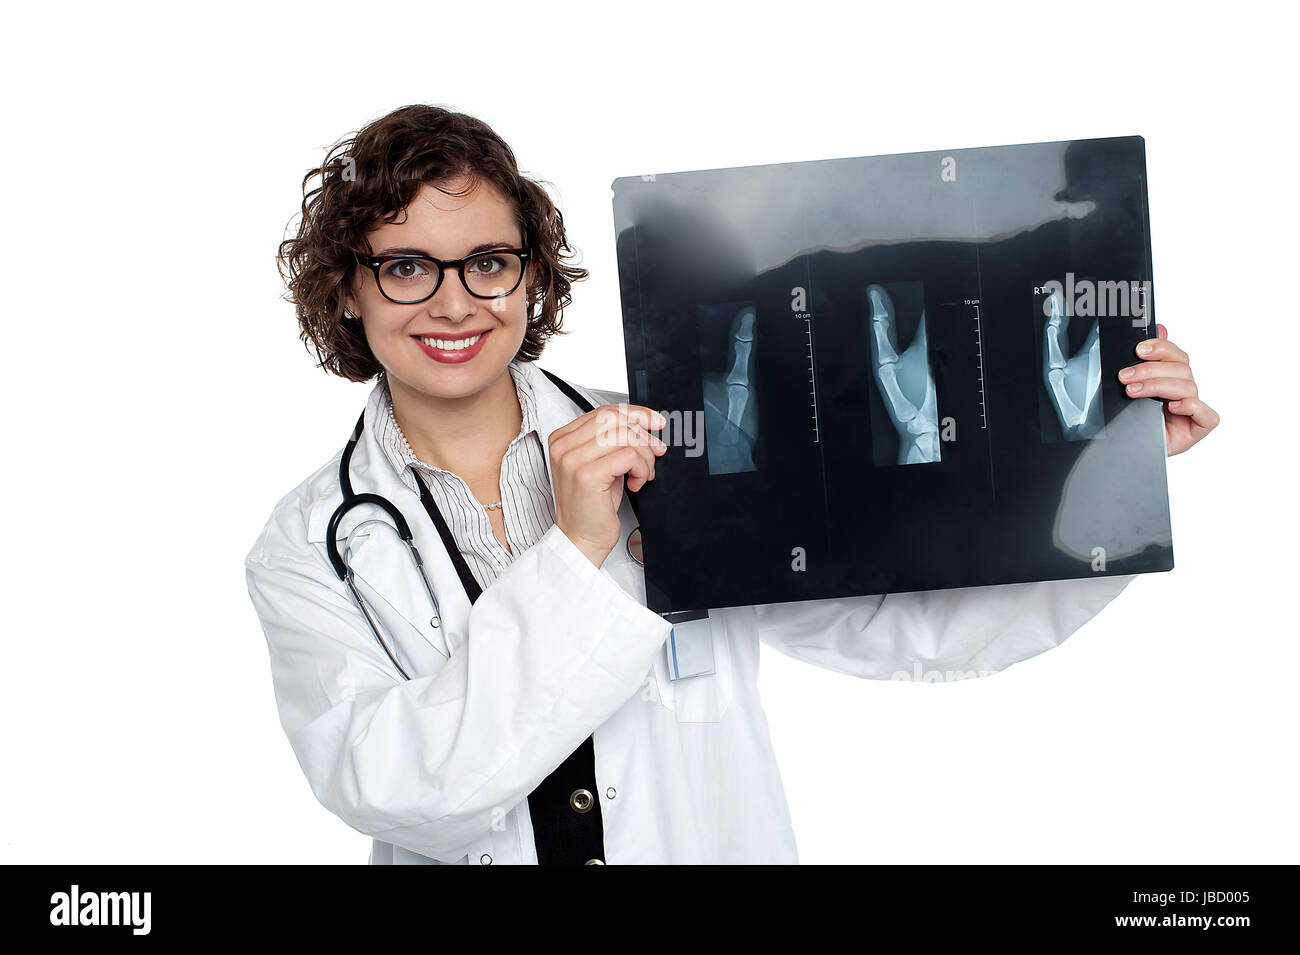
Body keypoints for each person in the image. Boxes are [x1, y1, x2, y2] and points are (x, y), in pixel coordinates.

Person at [244, 105, 1219, 865]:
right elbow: (403, 788)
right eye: (407, 266)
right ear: (345, 285)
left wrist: (1116, 468)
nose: (453, 302)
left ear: (532, 277)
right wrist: (580, 555)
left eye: (488, 262)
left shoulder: (684, 436)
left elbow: (908, 631)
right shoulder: (308, 547)